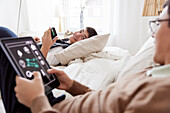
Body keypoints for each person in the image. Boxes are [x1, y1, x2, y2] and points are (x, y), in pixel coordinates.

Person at [1, 1, 170, 112]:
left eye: (157, 23)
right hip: (54, 102)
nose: (152, 33)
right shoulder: (154, 74)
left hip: (44, 108)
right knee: (11, 41)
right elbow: (109, 99)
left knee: (5, 35)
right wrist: (72, 85)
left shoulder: (160, 93)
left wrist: (37, 99)